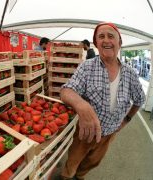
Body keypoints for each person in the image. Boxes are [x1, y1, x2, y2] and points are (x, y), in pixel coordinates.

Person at [60, 22, 145, 180]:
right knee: (73, 161)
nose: (106, 40)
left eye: (111, 36)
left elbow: (140, 99)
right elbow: (66, 90)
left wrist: (127, 119)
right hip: (86, 132)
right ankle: (67, 176)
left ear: (119, 43)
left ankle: (80, 176)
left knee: (93, 162)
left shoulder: (130, 74)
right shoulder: (87, 67)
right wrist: (81, 105)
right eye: (101, 37)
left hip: (110, 132)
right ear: (96, 44)